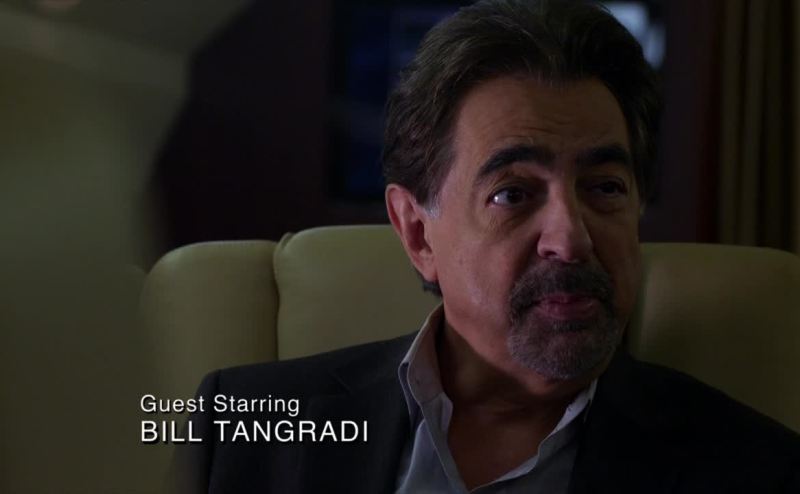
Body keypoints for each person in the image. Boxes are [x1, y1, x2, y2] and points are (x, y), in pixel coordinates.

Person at [172, 1, 800, 492]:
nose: (571, 238)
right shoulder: (241, 424)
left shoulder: (758, 469)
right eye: (513, 194)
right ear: (417, 232)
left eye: (605, 188)